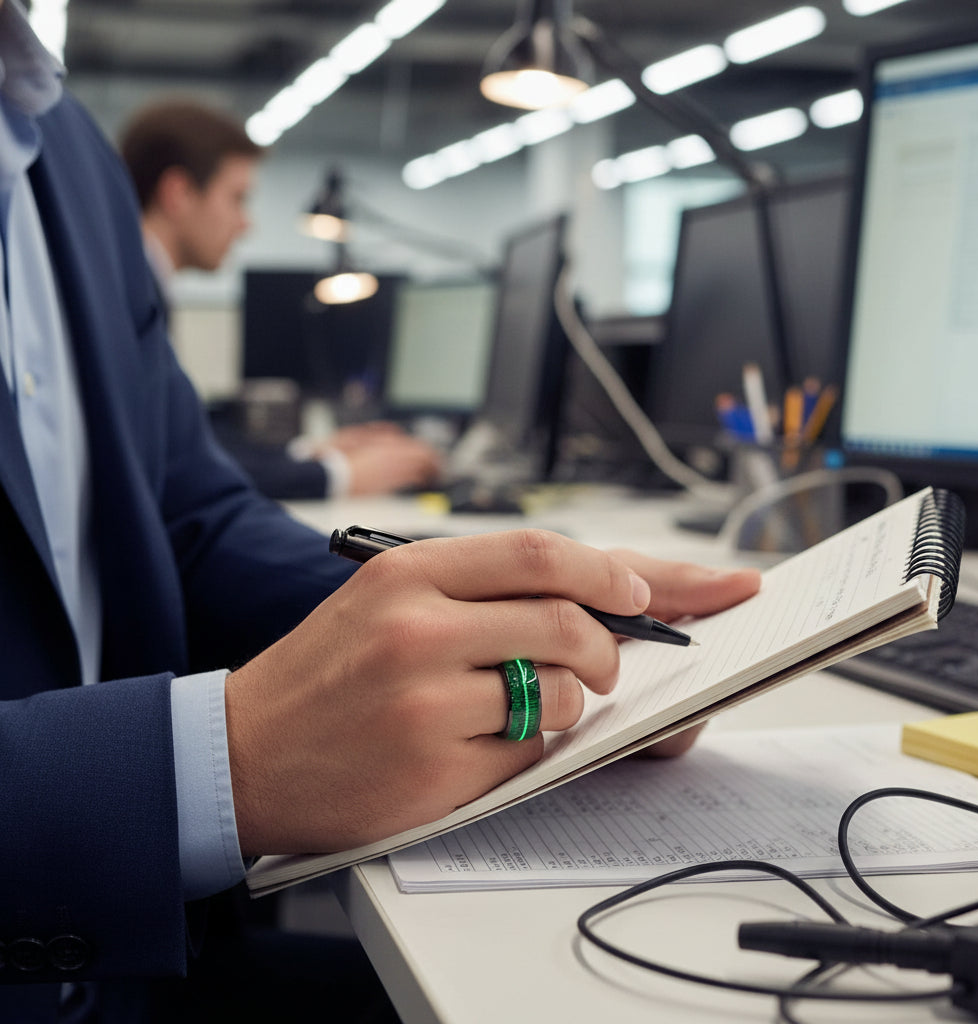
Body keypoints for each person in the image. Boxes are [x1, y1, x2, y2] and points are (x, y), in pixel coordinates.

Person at [0, 3, 762, 1021]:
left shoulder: (63, 145)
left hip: (137, 959)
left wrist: (481, 605)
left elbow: (191, 515)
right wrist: (217, 765)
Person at [118, 97, 442, 501]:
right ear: (179, 193)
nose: (246, 224)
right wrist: (335, 476)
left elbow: (188, 439)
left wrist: (307, 452)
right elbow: (176, 470)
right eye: (237, 198)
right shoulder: (127, 298)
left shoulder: (138, 284)